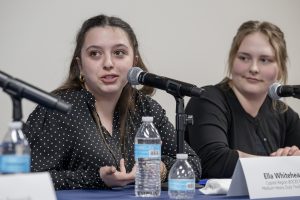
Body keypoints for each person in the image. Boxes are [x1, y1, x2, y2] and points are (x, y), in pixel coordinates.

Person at [23, 14, 201, 190]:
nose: (108, 63)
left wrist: (158, 169)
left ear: (134, 62)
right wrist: (96, 177)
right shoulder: (58, 109)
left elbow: (192, 164)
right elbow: (26, 179)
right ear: (80, 65)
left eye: (119, 53)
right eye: (95, 54)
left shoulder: (147, 109)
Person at [185, 20, 300, 179]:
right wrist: (282, 166)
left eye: (264, 60)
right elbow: (215, 161)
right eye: (244, 58)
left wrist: (295, 157)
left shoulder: (285, 115)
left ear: (280, 69)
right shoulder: (207, 99)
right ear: (232, 60)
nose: (253, 68)